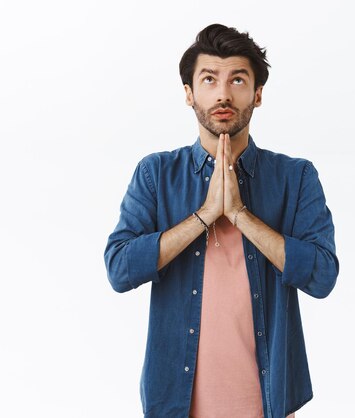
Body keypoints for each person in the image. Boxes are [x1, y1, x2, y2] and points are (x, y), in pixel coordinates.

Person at [103, 23, 339, 418]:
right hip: (176, 404)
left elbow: (322, 276)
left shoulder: (295, 177)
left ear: (258, 94)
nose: (223, 93)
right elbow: (119, 269)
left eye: (238, 79)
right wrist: (205, 215)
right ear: (189, 93)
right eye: (209, 79)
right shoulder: (155, 174)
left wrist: (240, 216)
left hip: (269, 404)